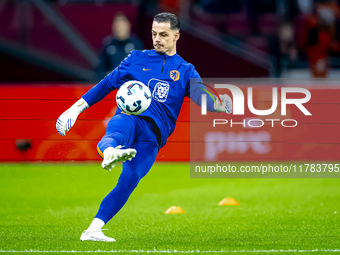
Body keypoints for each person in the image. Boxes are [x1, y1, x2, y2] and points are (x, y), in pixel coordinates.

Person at [56, 12, 232, 242]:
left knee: (131, 178)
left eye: (163, 34)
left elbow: (200, 96)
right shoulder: (136, 58)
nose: (157, 39)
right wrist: (76, 109)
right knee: (116, 132)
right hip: (131, 117)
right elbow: (107, 83)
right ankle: (110, 153)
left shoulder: (186, 70)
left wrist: (219, 105)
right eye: (154, 34)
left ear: (176, 36)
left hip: (153, 137)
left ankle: (93, 230)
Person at [96, 13, 143, 78]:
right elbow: (99, 70)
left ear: (128, 25)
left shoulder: (136, 44)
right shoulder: (108, 44)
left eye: (122, 25)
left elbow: (142, 68)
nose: (119, 28)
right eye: (117, 25)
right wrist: (107, 74)